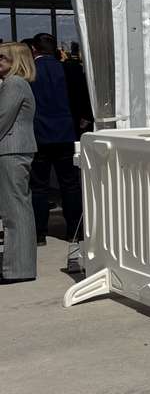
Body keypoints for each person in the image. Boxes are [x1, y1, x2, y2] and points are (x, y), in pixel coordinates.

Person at [27, 33, 83, 245]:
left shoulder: (30, 71)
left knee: (39, 186)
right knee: (69, 184)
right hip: (65, 132)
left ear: (34, 49)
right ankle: (74, 230)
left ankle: (40, 233)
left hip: (39, 133)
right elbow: (78, 99)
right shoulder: (69, 69)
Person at [0, 42, 39, 283]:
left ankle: (18, 269)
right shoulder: (15, 84)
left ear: (15, 61)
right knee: (16, 209)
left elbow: (1, 119)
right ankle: (18, 267)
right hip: (14, 151)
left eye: (2, 58)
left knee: (15, 211)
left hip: (11, 151)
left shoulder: (14, 84)